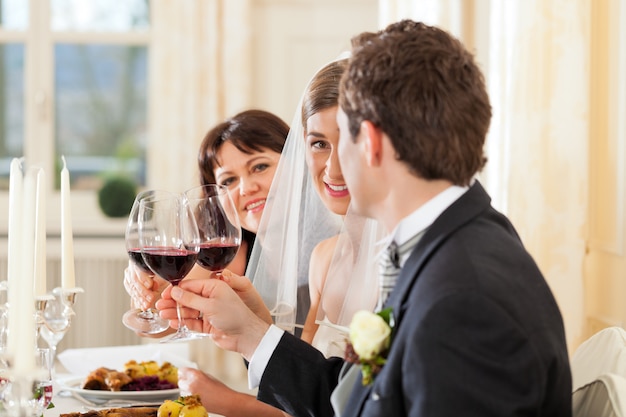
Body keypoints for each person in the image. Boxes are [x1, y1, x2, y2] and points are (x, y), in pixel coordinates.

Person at [158, 19, 573, 416]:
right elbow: (366, 402)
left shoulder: (460, 299)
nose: (329, 166)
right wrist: (252, 333)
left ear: (369, 141)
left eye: (344, 136)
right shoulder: (452, 244)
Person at [124, 109, 288, 330]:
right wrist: (145, 291)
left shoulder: (335, 253)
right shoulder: (235, 256)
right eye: (229, 180)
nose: (247, 188)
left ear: (297, 162)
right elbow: (162, 329)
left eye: (259, 167)